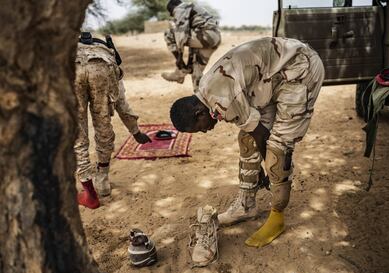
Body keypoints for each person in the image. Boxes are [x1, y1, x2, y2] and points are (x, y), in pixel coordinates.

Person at [170, 37, 325, 251]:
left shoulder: (222, 100)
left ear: (199, 113)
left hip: (300, 70)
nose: (206, 130)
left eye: (201, 128)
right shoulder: (205, 90)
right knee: (247, 138)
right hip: (272, 77)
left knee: (277, 151)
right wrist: (258, 171)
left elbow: (262, 134)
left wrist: (266, 169)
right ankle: (246, 205)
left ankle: (277, 218)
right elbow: (253, 131)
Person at [74, 32, 151, 209]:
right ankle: (102, 181)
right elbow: (121, 103)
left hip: (72, 67)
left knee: (78, 133)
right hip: (103, 66)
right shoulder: (109, 53)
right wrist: (135, 131)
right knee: (103, 125)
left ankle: (89, 193)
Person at [161, 0, 221, 91]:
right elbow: (190, 36)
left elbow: (180, 34)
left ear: (172, 8)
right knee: (196, 70)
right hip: (214, 37)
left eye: (171, 13)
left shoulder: (180, 9)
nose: (172, 16)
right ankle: (200, 99)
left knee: (169, 33)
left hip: (206, 35)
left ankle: (180, 70)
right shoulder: (191, 8)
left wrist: (179, 58)